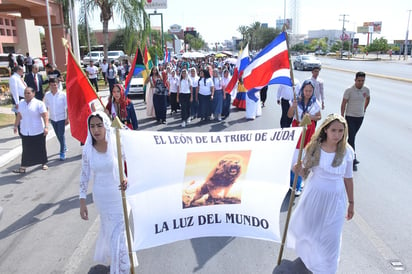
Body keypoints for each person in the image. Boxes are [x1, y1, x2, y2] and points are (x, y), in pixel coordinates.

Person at [288, 113, 355, 274]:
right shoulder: (313, 148)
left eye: (341, 131)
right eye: (334, 130)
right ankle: (310, 264)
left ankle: (327, 270)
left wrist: (351, 203)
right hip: (314, 196)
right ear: (325, 130)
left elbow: (348, 178)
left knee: (331, 237)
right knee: (311, 232)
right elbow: (304, 172)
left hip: (336, 200)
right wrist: (297, 170)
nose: (337, 135)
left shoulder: (347, 151)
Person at [79, 111, 131, 273]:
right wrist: (82, 202)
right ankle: (120, 263)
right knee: (110, 233)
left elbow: (133, 160)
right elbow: (84, 175)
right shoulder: (88, 150)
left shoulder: (117, 143)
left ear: (106, 126)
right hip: (101, 199)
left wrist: (128, 179)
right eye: (92, 126)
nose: (96, 130)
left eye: (99, 125)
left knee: (119, 235)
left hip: (119, 197)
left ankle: (119, 269)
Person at [287, 79, 321, 196]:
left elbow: (319, 116)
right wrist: (293, 107)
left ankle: (298, 185)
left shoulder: (315, 102)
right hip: (297, 129)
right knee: (294, 158)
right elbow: (289, 115)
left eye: (310, 91)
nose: (308, 93)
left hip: (308, 130)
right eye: (306, 90)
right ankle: (292, 183)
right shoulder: (296, 100)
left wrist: (310, 116)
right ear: (302, 90)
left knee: (303, 158)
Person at [12, 87, 49, 173]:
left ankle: (43, 163)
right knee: (26, 149)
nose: (26, 95)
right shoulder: (21, 103)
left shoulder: (39, 103)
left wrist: (46, 127)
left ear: (33, 93)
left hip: (37, 130)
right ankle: (23, 167)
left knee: (40, 148)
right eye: (25, 93)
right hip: (25, 130)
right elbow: (19, 115)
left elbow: (45, 115)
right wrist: (15, 125)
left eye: (28, 93)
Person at [340, 71, 370, 171]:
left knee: (351, 137)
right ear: (355, 80)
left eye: (362, 81)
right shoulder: (349, 90)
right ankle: (353, 159)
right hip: (350, 116)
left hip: (360, 117)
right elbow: (344, 103)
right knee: (352, 137)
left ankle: (343, 152)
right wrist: (342, 116)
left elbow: (368, 99)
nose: (360, 83)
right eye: (359, 80)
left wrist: (364, 109)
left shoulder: (366, 90)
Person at [44, 78, 69, 161]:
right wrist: (46, 118)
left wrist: (67, 118)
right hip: (53, 118)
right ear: (49, 86)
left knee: (61, 134)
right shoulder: (47, 95)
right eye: (51, 85)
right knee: (58, 135)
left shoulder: (63, 94)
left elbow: (67, 107)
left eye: (55, 84)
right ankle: (64, 145)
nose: (53, 86)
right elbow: (46, 107)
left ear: (57, 84)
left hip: (61, 117)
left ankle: (62, 152)